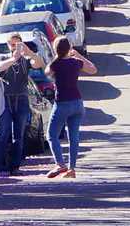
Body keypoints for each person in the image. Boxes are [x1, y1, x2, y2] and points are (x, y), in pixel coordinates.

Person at [46, 35, 97, 178]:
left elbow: (47, 72)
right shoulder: (76, 62)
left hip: (62, 102)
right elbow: (93, 69)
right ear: (69, 48)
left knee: (52, 135)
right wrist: (80, 56)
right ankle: (71, 169)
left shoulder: (56, 64)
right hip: (77, 102)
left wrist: (56, 57)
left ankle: (60, 164)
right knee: (73, 136)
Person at [0, 33, 45, 174]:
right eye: (11, 44)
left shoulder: (25, 60)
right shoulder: (3, 57)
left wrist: (28, 52)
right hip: (5, 99)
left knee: (19, 135)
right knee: (2, 133)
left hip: (21, 99)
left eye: (17, 43)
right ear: (7, 44)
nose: (13, 46)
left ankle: (15, 166)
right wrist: (13, 59)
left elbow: (38, 64)